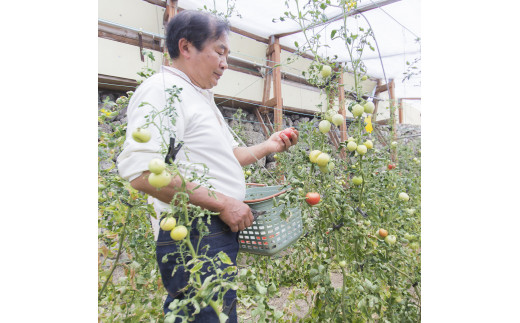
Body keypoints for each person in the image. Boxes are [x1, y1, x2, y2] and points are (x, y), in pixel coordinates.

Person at [116, 10, 299, 322]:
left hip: (211, 230)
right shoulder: (163, 90)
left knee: (209, 314)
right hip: (196, 232)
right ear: (186, 47)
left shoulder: (199, 96)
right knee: (206, 316)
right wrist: (224, 201)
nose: (225, 64)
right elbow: (142, 173)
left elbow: (232, 155)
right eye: (220, 51)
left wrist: (270, 145)